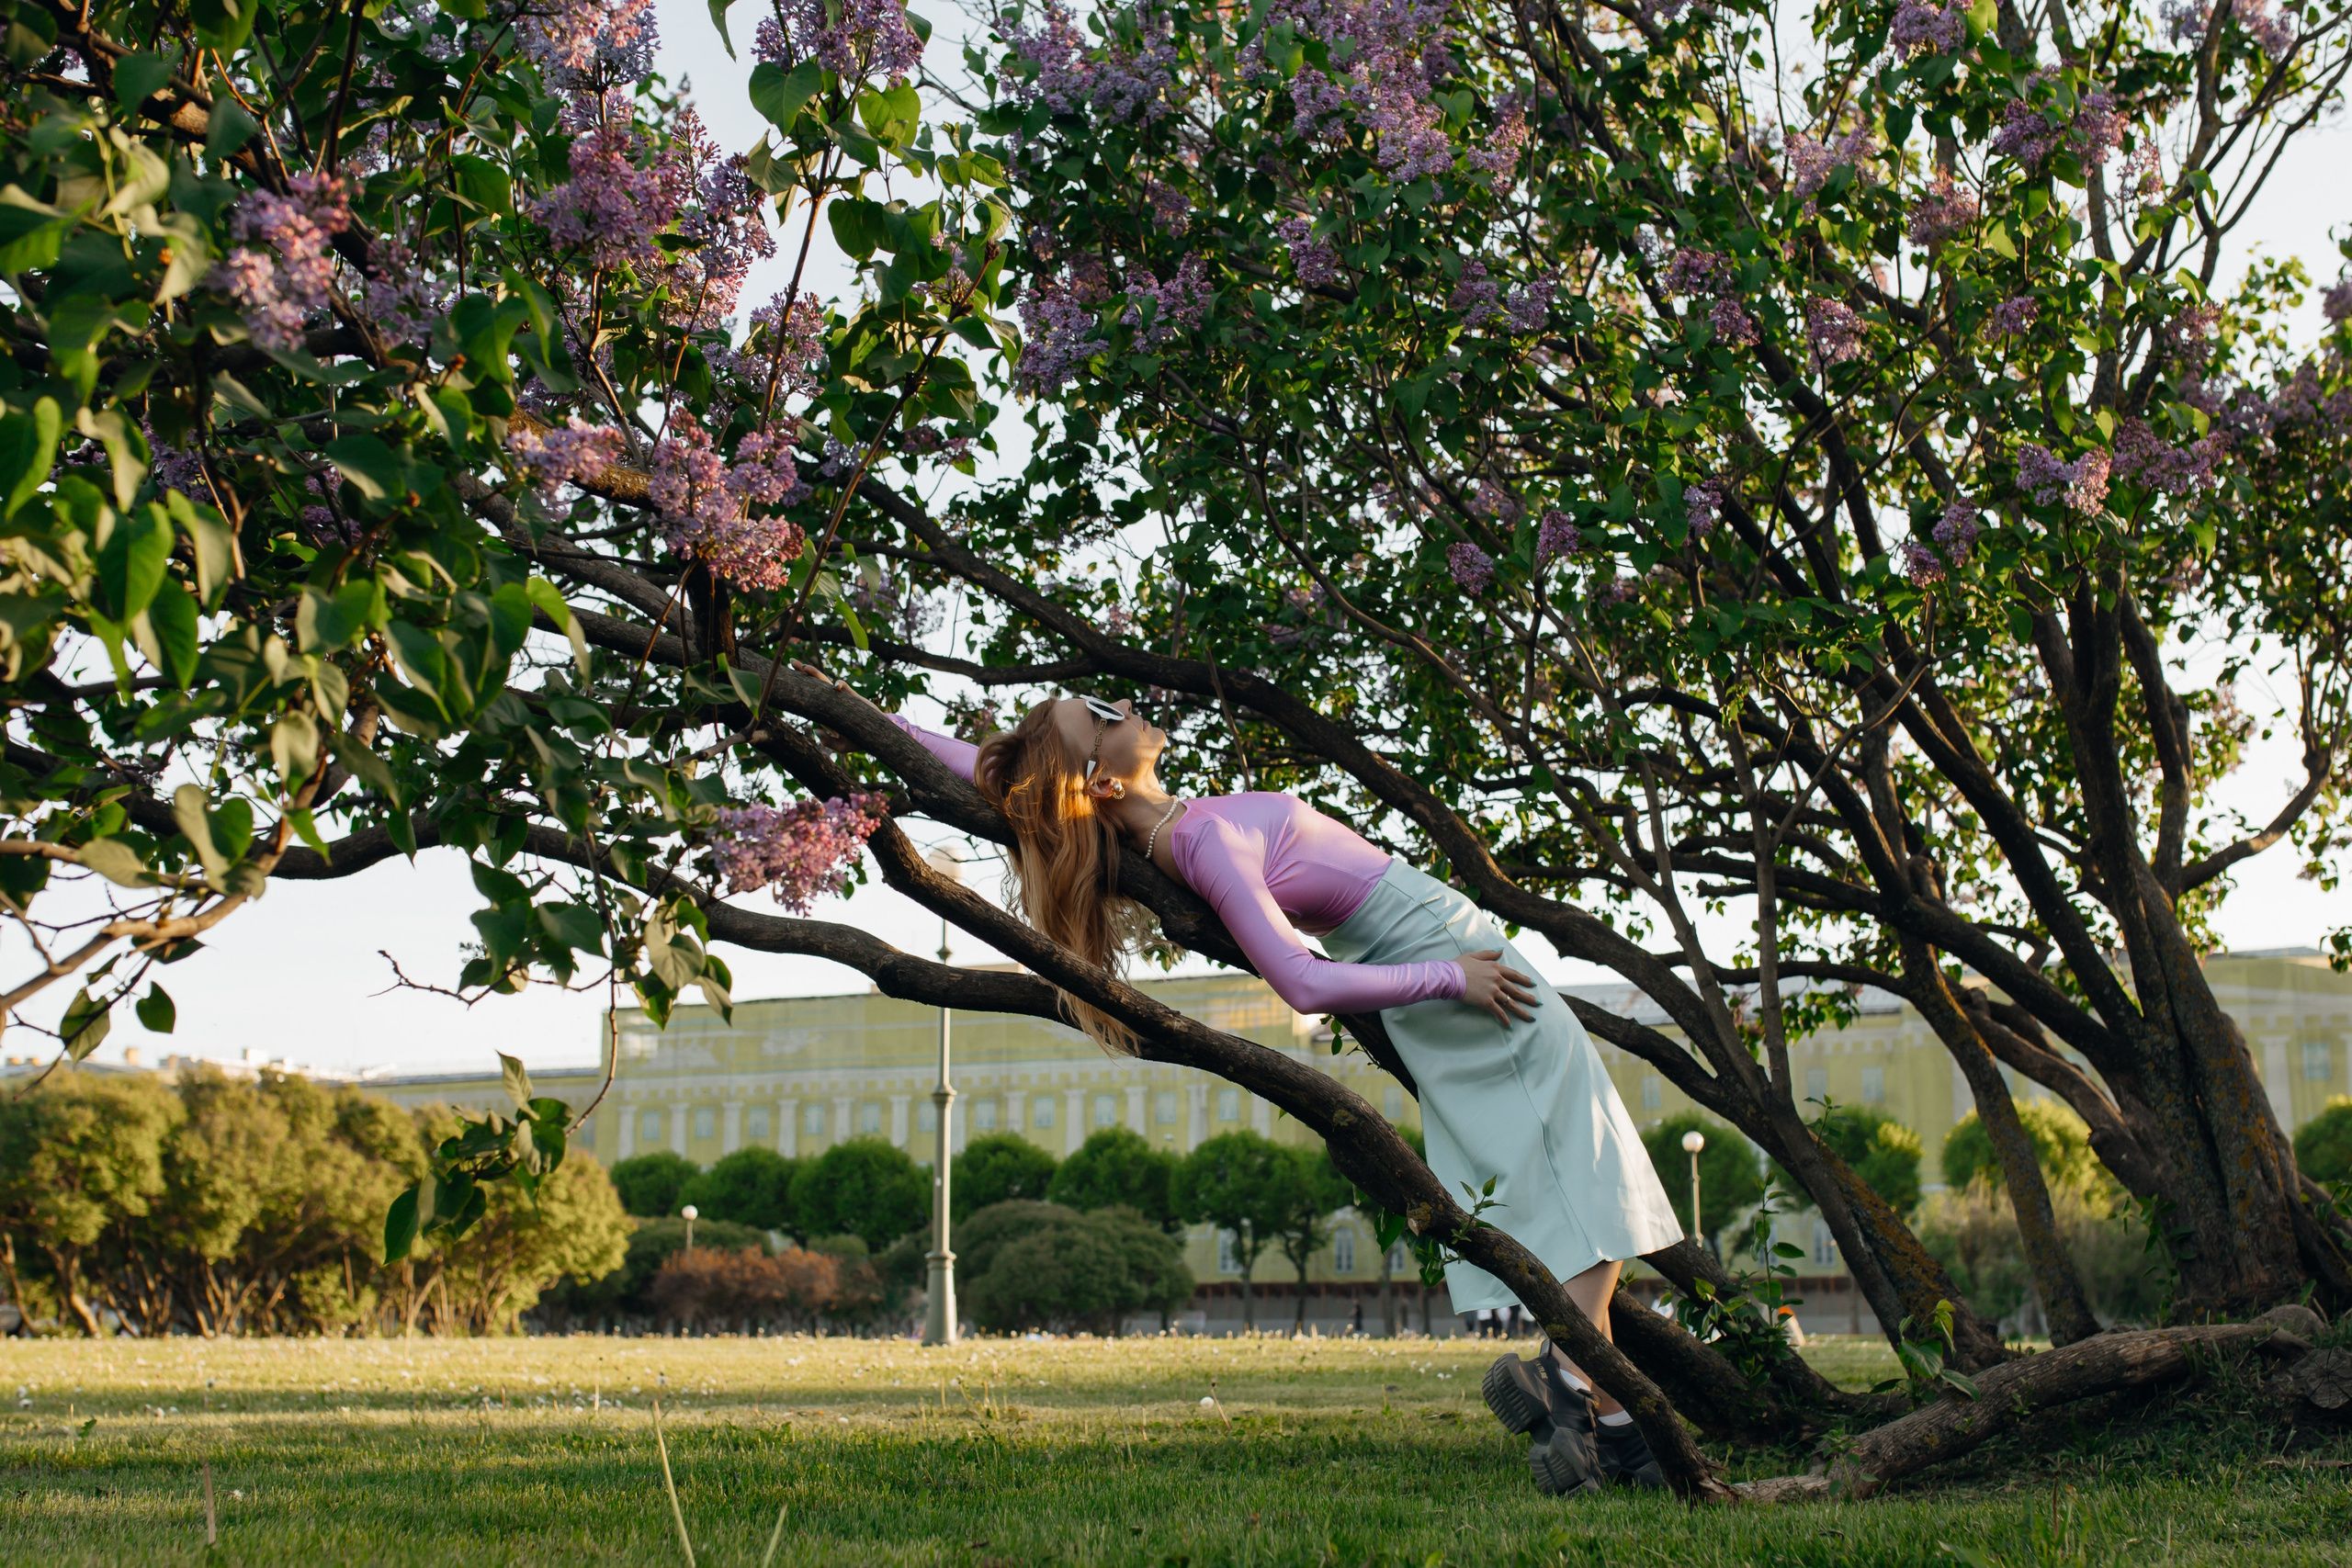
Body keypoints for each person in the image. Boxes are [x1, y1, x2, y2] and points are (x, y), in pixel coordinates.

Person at [841, 681, 1684, 1495]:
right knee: (1593, 1179)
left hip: (1433, 963)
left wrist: (849, 706)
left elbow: (988, 765)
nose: (1124, 704)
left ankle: (1617, 1437)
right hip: (1450, 959)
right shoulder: (1204, 840)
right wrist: (1452, 976)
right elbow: (1303, 983)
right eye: (1099, 713)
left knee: (1572, 1190)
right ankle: (1565, 1382)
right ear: (1100, 782)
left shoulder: (1178, 829)